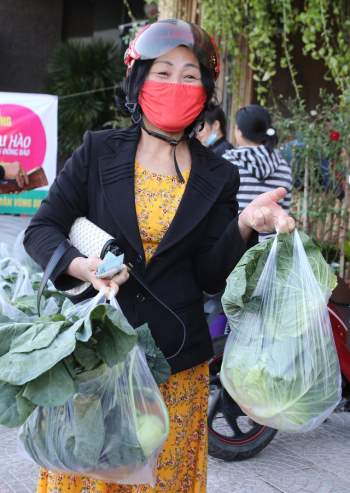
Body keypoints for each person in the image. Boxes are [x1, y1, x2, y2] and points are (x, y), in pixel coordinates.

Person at [24, 19, 295, 493]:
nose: (176, 85)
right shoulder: (98, 151)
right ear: (138, 80)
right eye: (162, 72)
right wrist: (83, 266)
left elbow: (211, 275)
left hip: (175, 369)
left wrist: (245, 225)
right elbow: (42, 229)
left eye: (189, 76)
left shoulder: (218, 174)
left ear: (205, 91)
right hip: (95, 361)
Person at [223, 104, 293, 239]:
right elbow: (285, 210)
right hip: (271, 250)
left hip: (234, 246)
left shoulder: (227, 163)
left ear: (240, 131)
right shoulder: (284, 167)